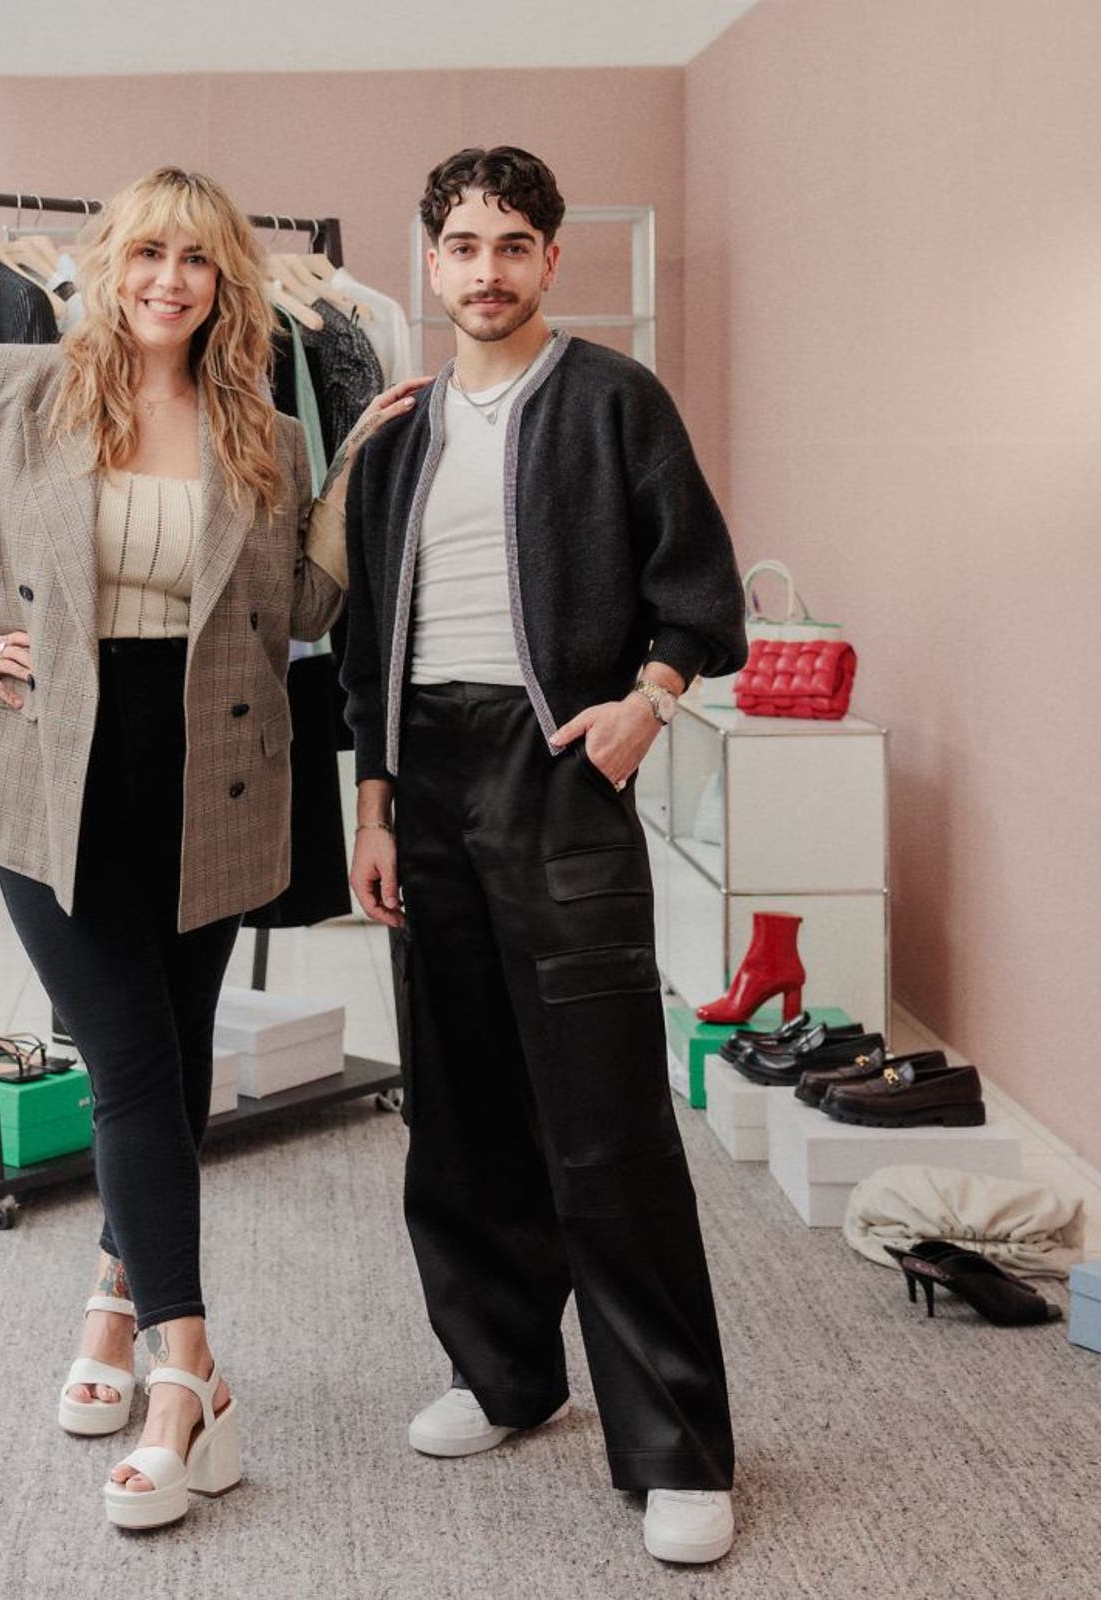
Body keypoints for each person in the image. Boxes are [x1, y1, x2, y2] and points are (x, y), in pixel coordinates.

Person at [0, 166, 422, 1532]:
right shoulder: (10, 383)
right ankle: (190, 1374)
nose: (170, 279)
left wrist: (355, 473)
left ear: (230, 284)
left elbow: (305, 604)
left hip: (215, 774)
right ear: (107, 265)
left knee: (170, 1050)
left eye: (198, 261)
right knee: (132, 1064)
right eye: (148, 252)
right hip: (53, 770)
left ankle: (112, 1302)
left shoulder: (263, 424)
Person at [335, 146, 749, 1565]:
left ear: (553, 260)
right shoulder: (394, 433)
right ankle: (503, 1373)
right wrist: (375, 804)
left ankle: (677, 1446)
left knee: (605, 1116)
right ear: (430, 260)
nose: (488, 268)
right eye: (462, 244)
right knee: (455, 1107)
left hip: (557, 766)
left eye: (514, 243)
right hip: (426, 781)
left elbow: (702, 593)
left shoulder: (615, 401)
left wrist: (650, 704)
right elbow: (355, 641)